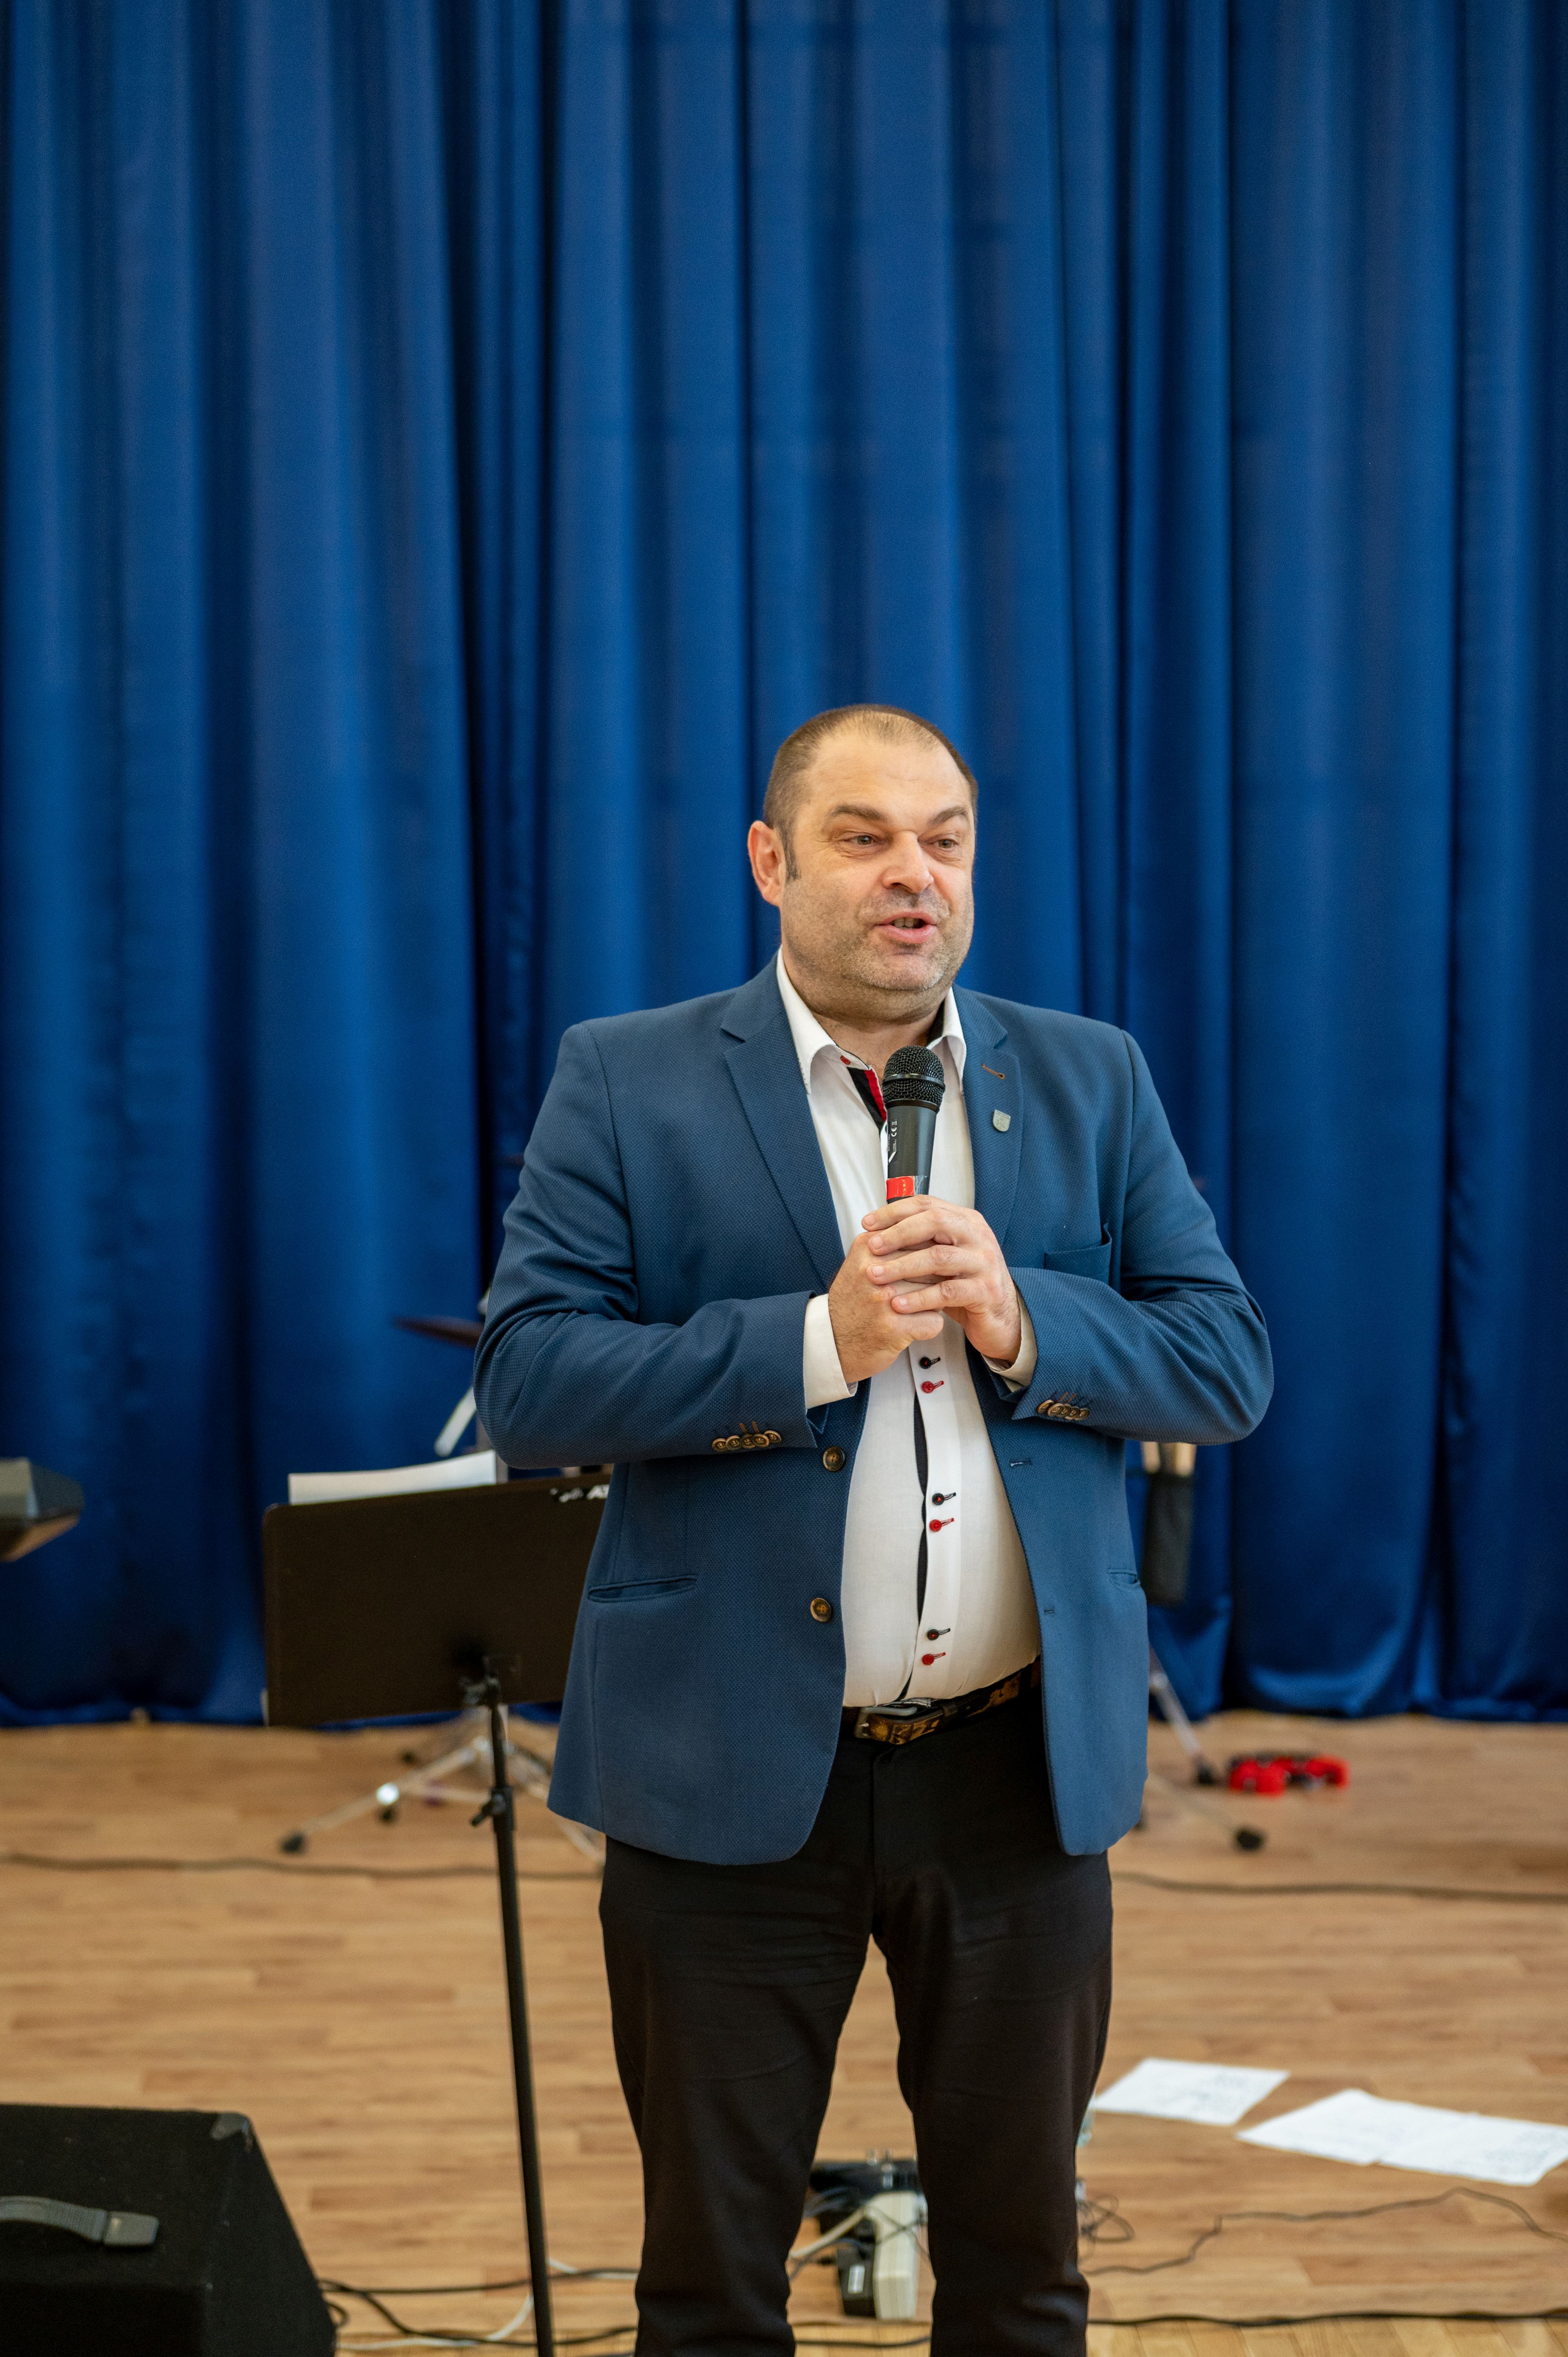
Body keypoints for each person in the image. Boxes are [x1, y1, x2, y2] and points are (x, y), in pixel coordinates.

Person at [474, 705, 1272, 2357]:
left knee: (1024, 2280)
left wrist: (1027, 1318)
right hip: (722, 1767)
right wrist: (809, 1342)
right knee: (707, 2290)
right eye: (864, 836)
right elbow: (532, 1381)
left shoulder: (1089, 1075)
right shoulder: (626, 1076)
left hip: (1014, 1780)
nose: (916, 873)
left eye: (945, 838)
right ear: (771, 861)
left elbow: (1224, 1362)